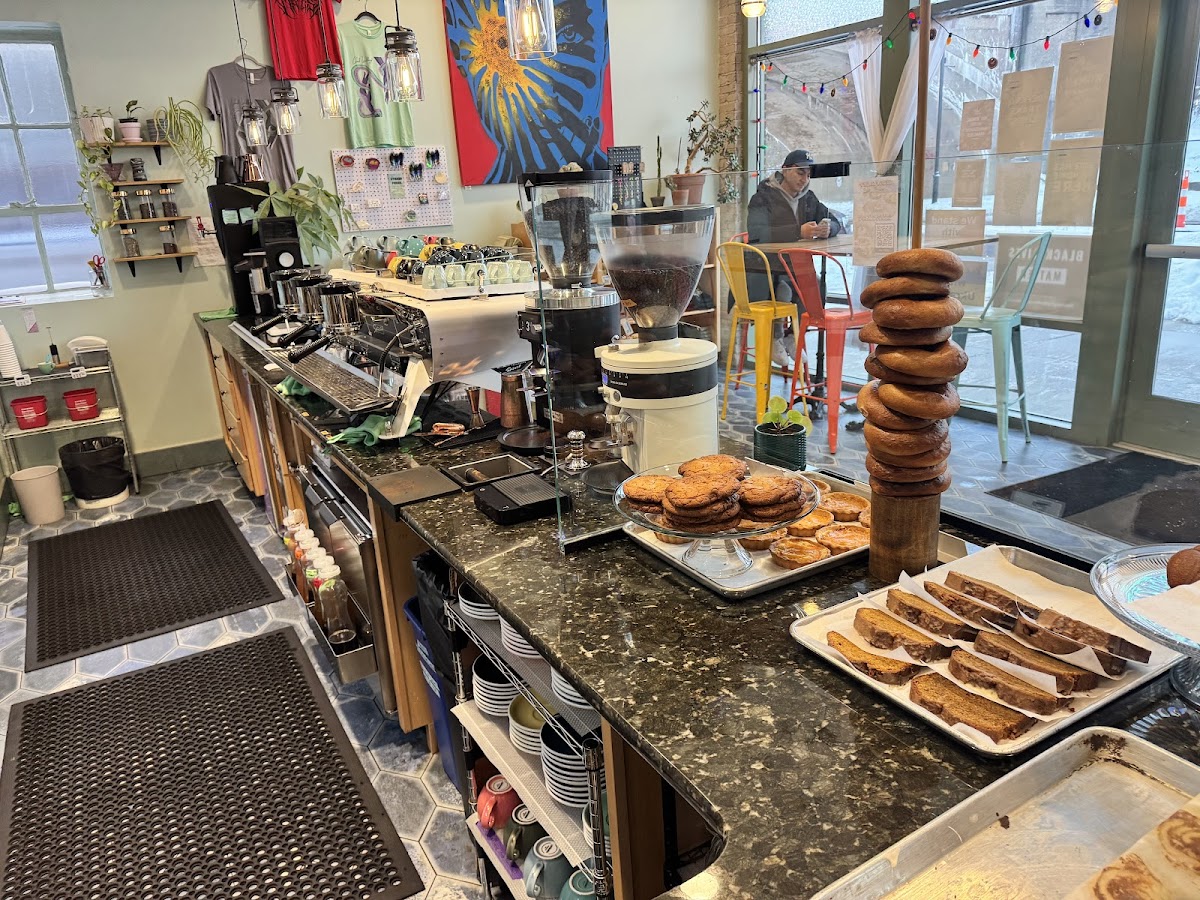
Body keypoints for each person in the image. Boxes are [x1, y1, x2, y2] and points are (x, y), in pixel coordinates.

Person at [745, 149, 845, 369]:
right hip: (763, 269)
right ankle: (774, 337)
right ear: (785, 170)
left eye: (808, 174)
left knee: (816, 286)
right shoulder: (763, 197)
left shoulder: (808, 199)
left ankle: (793, 334)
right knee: (783, 290)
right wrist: (798, 231)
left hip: (793, 267)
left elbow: (835, 220)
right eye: (800, 172)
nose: (804, 179)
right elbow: (757, 233)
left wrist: (829, 228)